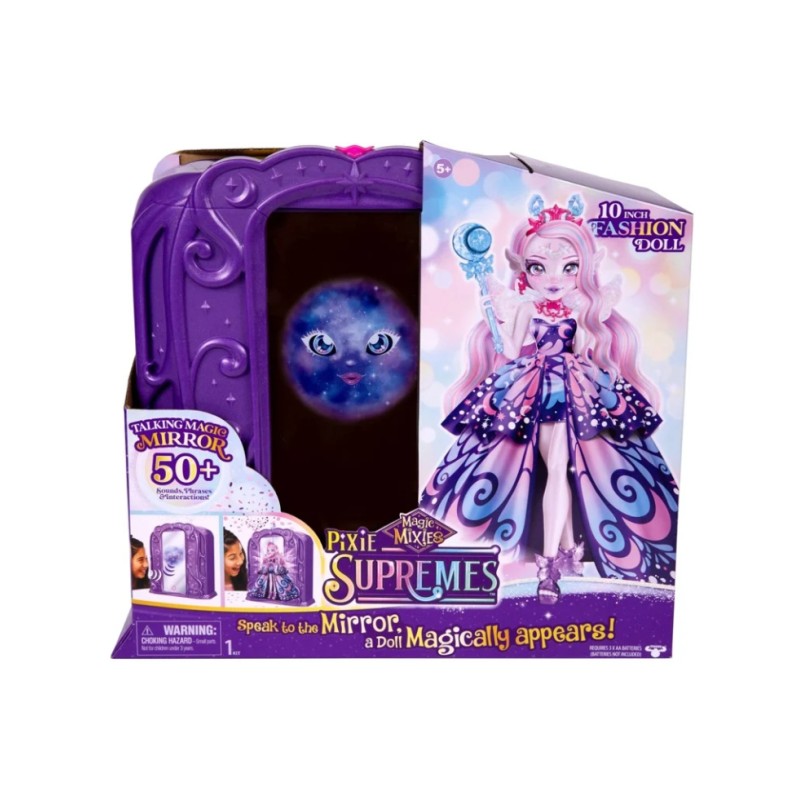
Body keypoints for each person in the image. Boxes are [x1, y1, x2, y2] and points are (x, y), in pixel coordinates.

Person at [420, 196, 678, 604]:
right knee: (556, 468)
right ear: (524, 269)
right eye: (538, 266)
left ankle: (561, 558)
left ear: (583, 268)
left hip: (574, 384)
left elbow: (587, 347)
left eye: (569, 267)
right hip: (536, 385)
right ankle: (556, 561)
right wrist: (491, 313)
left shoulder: (580, 308)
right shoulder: (526, 306)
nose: (554, 277)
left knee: (563, 468)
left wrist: (596, 354)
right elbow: (510, 348)